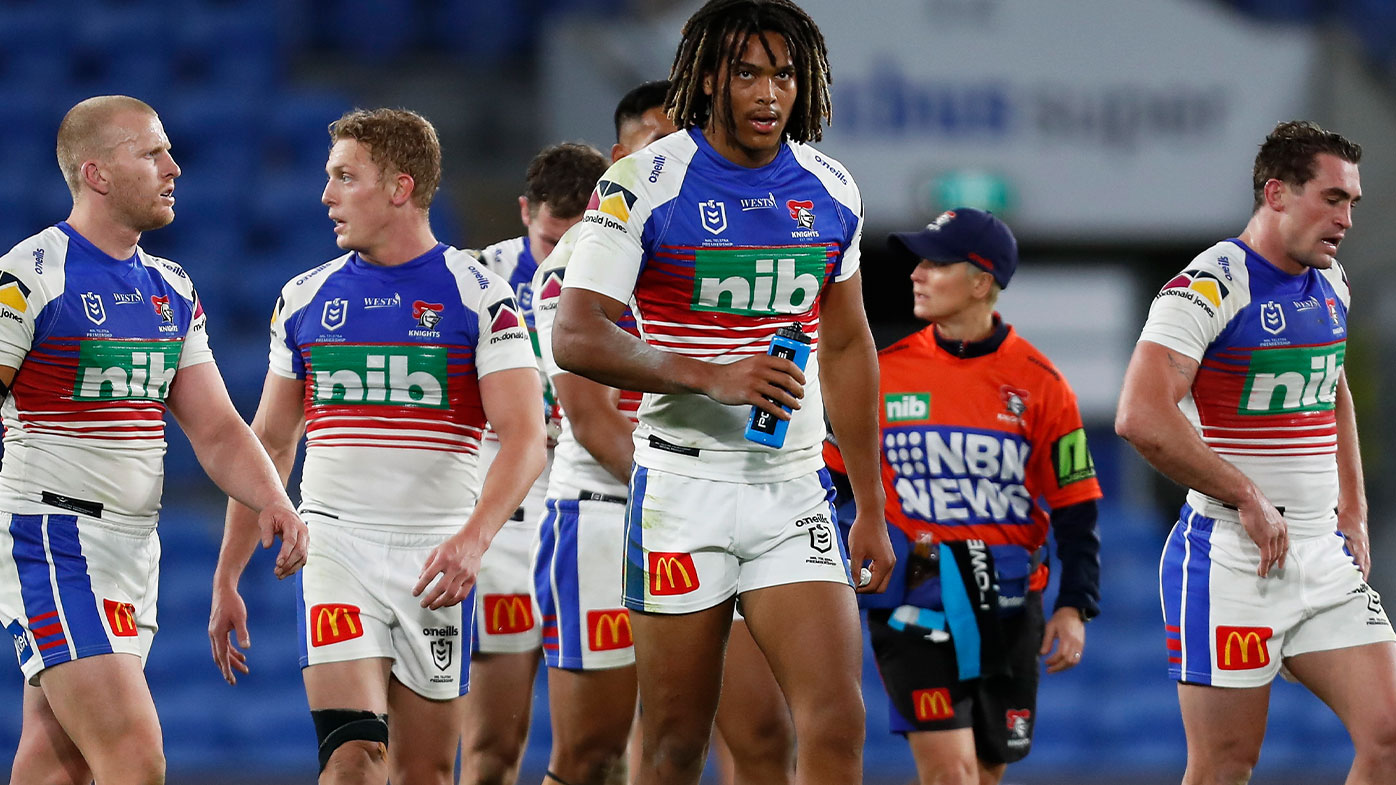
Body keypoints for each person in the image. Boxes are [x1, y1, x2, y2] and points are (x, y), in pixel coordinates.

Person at [551, 2, 896, 783]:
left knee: (837, 722)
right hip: (681, 487)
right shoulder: (642, 182)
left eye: (784, 73)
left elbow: (844, 342)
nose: (770, 93)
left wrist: (871, 504)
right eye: (748, 73)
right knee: (676, 743)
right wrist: (713, 373)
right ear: (709, 78)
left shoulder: (831, 187)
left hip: (792, 489)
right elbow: (575, 334)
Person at [208, 108, 546, 785]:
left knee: (424, 773)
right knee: (354, 759)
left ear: (399, 186)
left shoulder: (481, 296)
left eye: (344, 177)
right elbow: (270, 442)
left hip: (436, 559)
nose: (326, 196)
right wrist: (227, 573)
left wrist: (475, 539)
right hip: (339, 549)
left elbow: (526, 438)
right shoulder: (304, 298)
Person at [0, 95, 308, 785]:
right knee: (136, 758)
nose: (174, 166)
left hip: (133, 548)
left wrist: (274, 500)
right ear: (98, 173)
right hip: (54, 537)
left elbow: (218, 429)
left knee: (57, 762)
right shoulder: (31, 274)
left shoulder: (170, 288)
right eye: (151, 153)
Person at [1116, 120, 1396, 784]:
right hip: (1230, 560)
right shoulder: (1210, 284)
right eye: (1332, 198)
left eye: (1352, 201)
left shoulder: (1332, 283)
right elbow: (1139, 413)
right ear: (1275, 193)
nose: (1346, 218)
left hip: (1320, 555)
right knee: (1225, 764)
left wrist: (1353, 511)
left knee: (1388, 735)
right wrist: (1245, 492)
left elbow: (1334, 391)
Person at [532, 79, 794, 785]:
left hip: (716, 506)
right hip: (606, 514)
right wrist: (680, 490)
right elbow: (588, 420)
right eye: (661, 143)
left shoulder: (739, 249)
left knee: (759, 733)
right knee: (592, 754)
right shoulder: (572, 266)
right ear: (621, 159)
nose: (684, 158)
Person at [824, 208, 1102, 785]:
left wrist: (1074, 606)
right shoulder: (884, 373)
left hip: (1008, 603)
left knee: (984, 769)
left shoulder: (1041, 384)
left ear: (981, 281)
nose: (916, 274)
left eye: (936, 263)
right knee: (951, 774)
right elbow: (831, 479)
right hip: (914, 597)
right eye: (918, 262)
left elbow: (1076, 508)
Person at [463, 141, 609, 785]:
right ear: (525, 212)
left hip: (597, 500)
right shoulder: (475, 280)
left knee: (608, 747)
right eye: (553, 242)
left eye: (582, 241)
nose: (566, 261)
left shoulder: (633, 279)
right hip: (507, 518)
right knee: (494, 744)